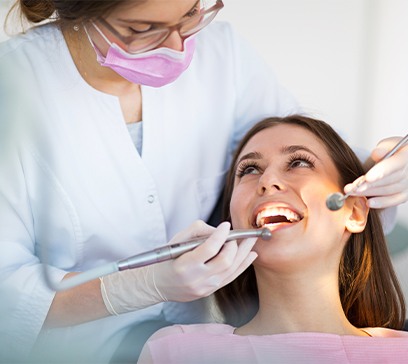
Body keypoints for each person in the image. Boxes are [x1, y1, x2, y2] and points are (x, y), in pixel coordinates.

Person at [0, 0, 407, 362]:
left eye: (191, 13)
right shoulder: (14, 88)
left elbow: (298, 143)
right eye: (143, 28)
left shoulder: (222, 56)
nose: (178, 47)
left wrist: (377, 172)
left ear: (354, 210)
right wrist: (135, 286)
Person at [138, 115, 408, 364]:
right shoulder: (176, 352)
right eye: (249, 170)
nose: (267, 180)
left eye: (299, 162)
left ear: (355, 211)